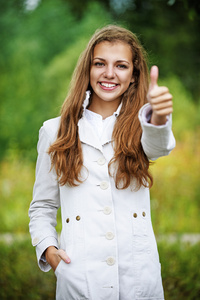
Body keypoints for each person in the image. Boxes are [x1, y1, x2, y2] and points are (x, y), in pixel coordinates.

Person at [29, 25, 175, 300]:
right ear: (88, 69)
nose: (109, 74)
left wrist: (158, 117)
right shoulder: (54, 131)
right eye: (100, 64)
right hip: (80, 281)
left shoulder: (144, 125)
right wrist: (50, 251)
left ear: (134, 75)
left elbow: (159, 147)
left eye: (121, 65)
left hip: (140, 281)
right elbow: (42, 207)